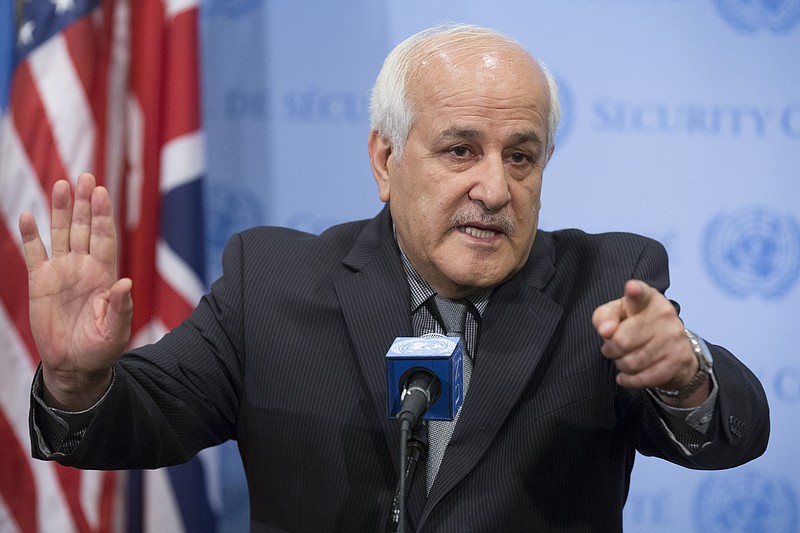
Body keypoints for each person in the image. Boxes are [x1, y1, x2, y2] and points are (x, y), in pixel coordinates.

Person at [21, 23, 769, 532]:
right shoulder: (271, 281)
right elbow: (139, 418)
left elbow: (734, 432)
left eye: (521, 155)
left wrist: (685, 375)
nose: (495, 188)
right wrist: (76, 381)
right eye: (459, 150)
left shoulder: (608, 285)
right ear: (385, 160)